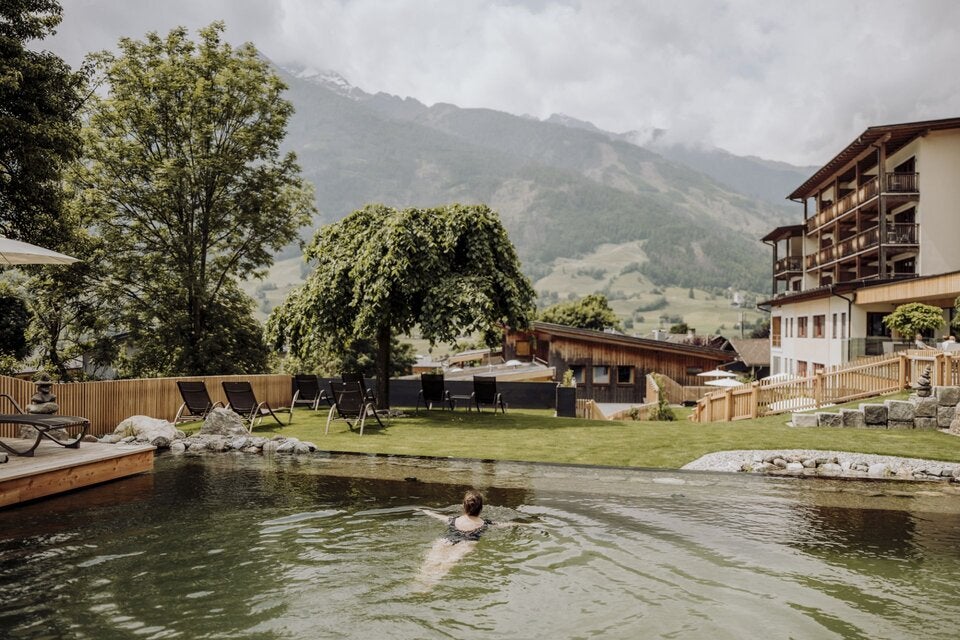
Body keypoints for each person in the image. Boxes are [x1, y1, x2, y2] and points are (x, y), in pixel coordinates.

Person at [415, 489, 534, 589]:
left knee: (430, 562)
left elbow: (438, 516)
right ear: (481, 508)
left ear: (463, 506)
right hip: (467, 543)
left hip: (446, 539)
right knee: (447, 564)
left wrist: (424, 510)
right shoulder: (486, 523)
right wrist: (528, 525)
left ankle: (416, 584)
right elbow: (506, 524)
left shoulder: (453, 519)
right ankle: (428, 588)